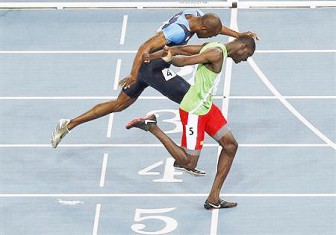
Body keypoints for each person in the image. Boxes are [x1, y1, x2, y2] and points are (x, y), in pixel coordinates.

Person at [51, 9, 258, 148]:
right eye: (210, 35)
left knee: (119, 105)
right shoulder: (176, 32)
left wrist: (238, 34)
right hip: (153, 68)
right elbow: (144, 47)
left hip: (150, 67)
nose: (213, 38)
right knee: (193, 99)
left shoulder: (195, 14)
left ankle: (69, 124)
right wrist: (133, 73)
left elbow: (216, 26)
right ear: (202, 29)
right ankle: (194, 152)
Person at [126, 36, 256, 209]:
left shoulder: (214, 46)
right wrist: (169, 59)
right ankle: (152, 126)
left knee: (230, 146)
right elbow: (184, 61)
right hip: (194, 110)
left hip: (206, 106)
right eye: (248, 55)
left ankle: (213, 198)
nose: (245, 60)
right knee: (188, 162)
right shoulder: (216, 53)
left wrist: (153, 55)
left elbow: (182, 49)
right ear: (242, 47)